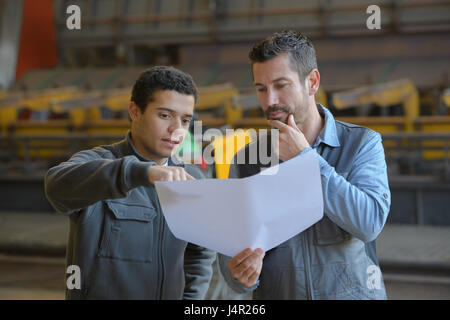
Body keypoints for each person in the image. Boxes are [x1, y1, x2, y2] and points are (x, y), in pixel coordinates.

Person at [218, 30, 391, 300]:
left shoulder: (361, 143)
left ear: (312, 82)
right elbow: (232, 266)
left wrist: (305, 162)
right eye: (261, 89)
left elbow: (368, 223)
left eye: (281, 85)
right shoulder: (247, 161)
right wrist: (241, 276)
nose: (269, 100)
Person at [45, 66, 215, 299]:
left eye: (185, 120)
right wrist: (141, 173)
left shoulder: (192, 179)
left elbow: (200, 253)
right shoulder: (100, 162)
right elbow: (56, 186)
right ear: (135, 112)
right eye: (165, 115)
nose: (176, 129)